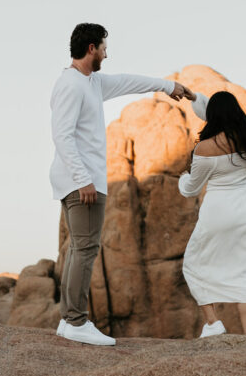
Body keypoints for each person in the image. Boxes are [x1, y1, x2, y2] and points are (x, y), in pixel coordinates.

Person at [50, 23, 195, 346]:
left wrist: (168, 85)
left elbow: (130, 81)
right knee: (86, 248)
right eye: (103, 47)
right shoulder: (72, 85)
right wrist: (83, 179)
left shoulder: (92, 82)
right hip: (81, 181)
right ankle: (75, 321)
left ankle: (67, 320)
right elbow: (62, 135)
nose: (106, 53)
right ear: (91, 49)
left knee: (79, 247)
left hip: (80, 178)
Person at [178, 91, 246, 337]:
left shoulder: (204, 149)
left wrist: (183, 177)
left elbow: (191, 190)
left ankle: (213, 323)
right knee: (245, 275)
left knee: (193, 265)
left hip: (217, 217)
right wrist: (198, 101)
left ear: (211, 116)